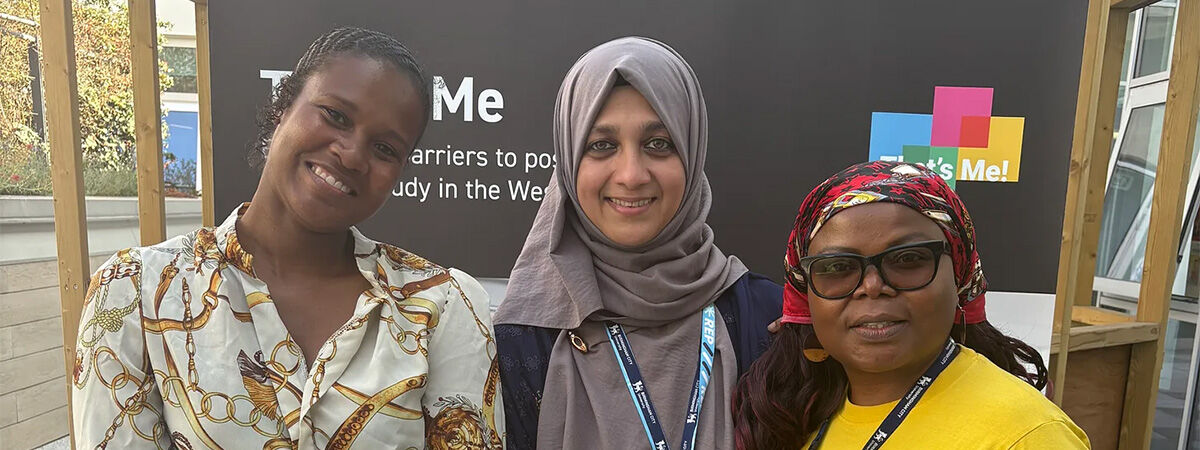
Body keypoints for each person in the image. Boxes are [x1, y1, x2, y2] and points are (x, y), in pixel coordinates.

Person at [71, 27, 503, 449]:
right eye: (335, 116)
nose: (352, 154)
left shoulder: (441, 306)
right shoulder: (136, 293)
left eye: (385, 149)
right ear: (283, 108)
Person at [493, 37, 782, 450]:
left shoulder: (766, 320)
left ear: (692, 151)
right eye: (602, 145)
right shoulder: (522, 338)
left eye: (658, 144)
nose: (631, 175)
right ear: (569, 158)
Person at [732, 161, 1088, 449]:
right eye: (838, 267)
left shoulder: (1028, 435)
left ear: (960, 275)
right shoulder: (797, 416)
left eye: (908, 259)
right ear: (805, 290)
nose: (872, 287)